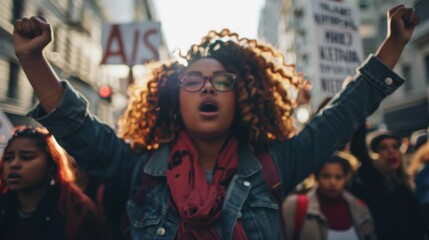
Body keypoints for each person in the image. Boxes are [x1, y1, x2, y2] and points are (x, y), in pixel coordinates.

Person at [13, 4, 418, 240]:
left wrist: (394, 43)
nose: (208, 87)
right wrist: (33, 59)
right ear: (176, 98)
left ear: (240, 96)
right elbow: (78, 127)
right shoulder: (139, 169)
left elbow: (340, 116)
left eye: (222, 81)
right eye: (194, 80)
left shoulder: (275, 165)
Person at [0, 126, 105, 240]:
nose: (14, 164)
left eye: (27, 157)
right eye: (9, 158)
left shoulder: (75, 211)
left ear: (51, 164)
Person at [348, 125, 428, 240]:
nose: (391, 151)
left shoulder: (403, 182)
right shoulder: (375, 181)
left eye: (395, 147)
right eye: (383, 148)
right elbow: (359, 150)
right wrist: (361, 119)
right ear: (374, 155)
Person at [282, 153, 376, 240]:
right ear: (317, 177)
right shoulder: (295, 206)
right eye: (326, 176)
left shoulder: (359, 208)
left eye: (338, 177)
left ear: (346, 178)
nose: (333, 183)